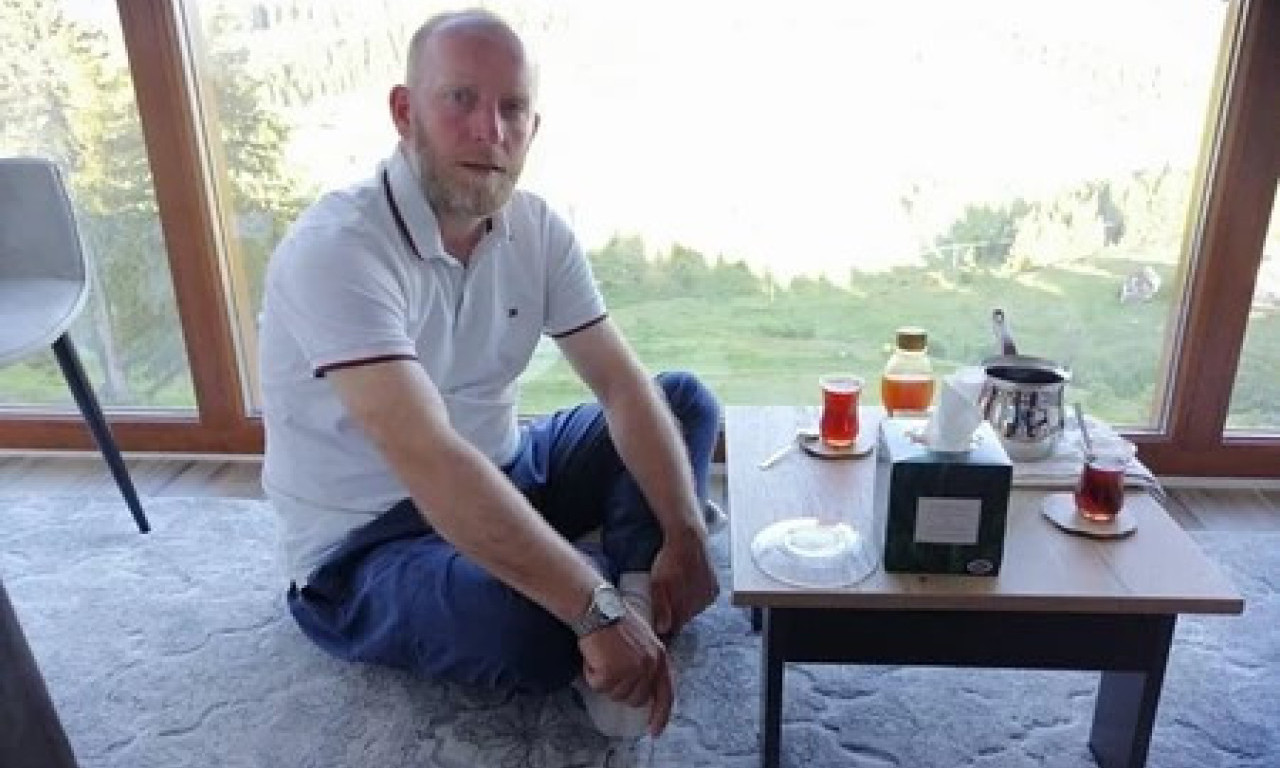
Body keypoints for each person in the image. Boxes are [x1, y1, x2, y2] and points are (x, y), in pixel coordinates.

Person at [257, 8, 721, 739]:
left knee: (679, 400)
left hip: (509, 468)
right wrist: (588, 607)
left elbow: (620, 384)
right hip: (369, 543)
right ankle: (604, 599)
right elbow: (431, 460)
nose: (490, 131)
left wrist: (686, 532)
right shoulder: (338, 249)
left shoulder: (536, 227)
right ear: (405, 112)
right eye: (460, 99)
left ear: (534, 128)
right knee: (534, 628)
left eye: (513, 108)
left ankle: (635, 593)